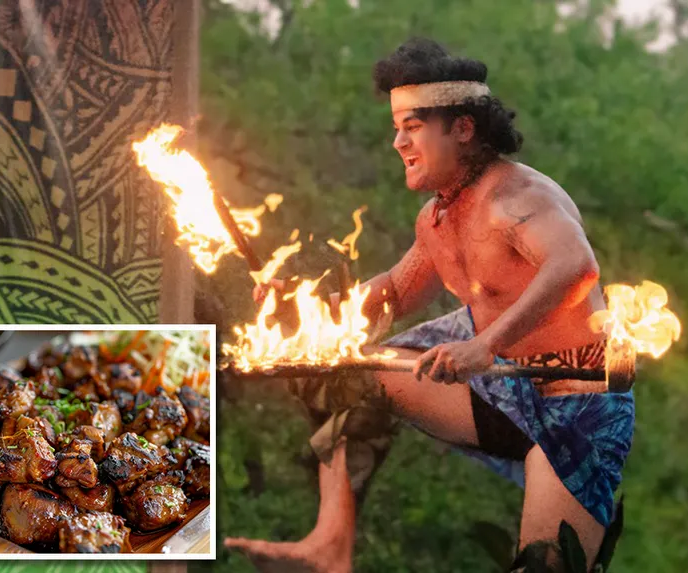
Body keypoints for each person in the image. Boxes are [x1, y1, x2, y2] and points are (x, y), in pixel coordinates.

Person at [224, 37, 635, 572]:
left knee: (547, 567)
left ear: (463, 128)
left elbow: (575, 267)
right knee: (346, 372)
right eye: (397, 127)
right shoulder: (437, 219)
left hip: (574, 399)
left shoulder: (517, 198)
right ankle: (331, 543)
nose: (398, 142)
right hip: (496, 387)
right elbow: (392, 292)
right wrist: (303, 312)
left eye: (413, 126)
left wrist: (485, 345)